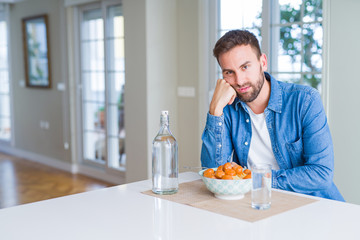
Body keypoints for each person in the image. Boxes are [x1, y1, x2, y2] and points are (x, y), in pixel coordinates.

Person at [201, 30, 344, 201]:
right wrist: (215, 110)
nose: (239, 81)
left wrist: (256, 177)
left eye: (245, 67)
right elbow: (215, 173)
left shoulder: (304, 101)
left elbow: (321, 174)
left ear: (263, 62)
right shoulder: (228, 107)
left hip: (313, 207)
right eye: (229, 72)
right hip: (258, 204)